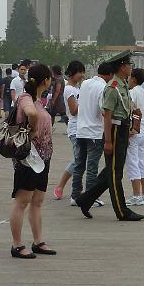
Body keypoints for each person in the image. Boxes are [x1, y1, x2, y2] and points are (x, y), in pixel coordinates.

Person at [75, 51, 144, 222]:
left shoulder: (122, 85)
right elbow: (108, 115)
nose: (131, 68)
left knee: (112, 171)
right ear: (122, 67)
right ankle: (122, 211)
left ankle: (85, 199)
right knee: (115, 174)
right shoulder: (113, 87)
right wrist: (107, 141)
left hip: (122, 130)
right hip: (113, 130)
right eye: (129, 65)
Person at [9, 63, 56, 259]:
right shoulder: (25, 98)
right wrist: (34, 128)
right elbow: (31, 113)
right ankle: (17, 245)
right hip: (28, 158)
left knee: (37, 201)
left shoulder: (38, 99)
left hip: (43, 158)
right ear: (45, 80)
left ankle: (38, 241)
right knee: (23, 201)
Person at [71, 62, 111, 208]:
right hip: (94, 131)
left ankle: (75, 195)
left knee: (79, 164)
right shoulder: (103, 87)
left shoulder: (85, 83)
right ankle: (90, 197)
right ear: (109, 75)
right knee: (92, 167)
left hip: (81, 130)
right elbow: (103, 109)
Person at [52, 61, 85, 201]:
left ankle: (66, 187)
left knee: (80, 159)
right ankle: (61, 186)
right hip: (75, 128)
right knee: (78, 160)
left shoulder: (78, 88)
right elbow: (73, 110)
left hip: (82, 127)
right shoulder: (69, 89)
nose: (82, 75)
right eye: (80, 72)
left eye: (83, 72)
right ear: (72, 73)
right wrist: (86, 104)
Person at [125, 69, 144, 206]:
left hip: (134, 132)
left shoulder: (132, 93)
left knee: (132, 163)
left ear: (134, 79)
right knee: (142, 162)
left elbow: (130, 111)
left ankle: (136, 195)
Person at [48, 65, 67, 129]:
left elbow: (57, 91)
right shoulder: (57, 78)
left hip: (59, 99)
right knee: (52, 114)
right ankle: (50, 128)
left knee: (62, 114)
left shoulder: (59, 79)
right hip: (58, 98)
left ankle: (70, 127)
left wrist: (53, 100)